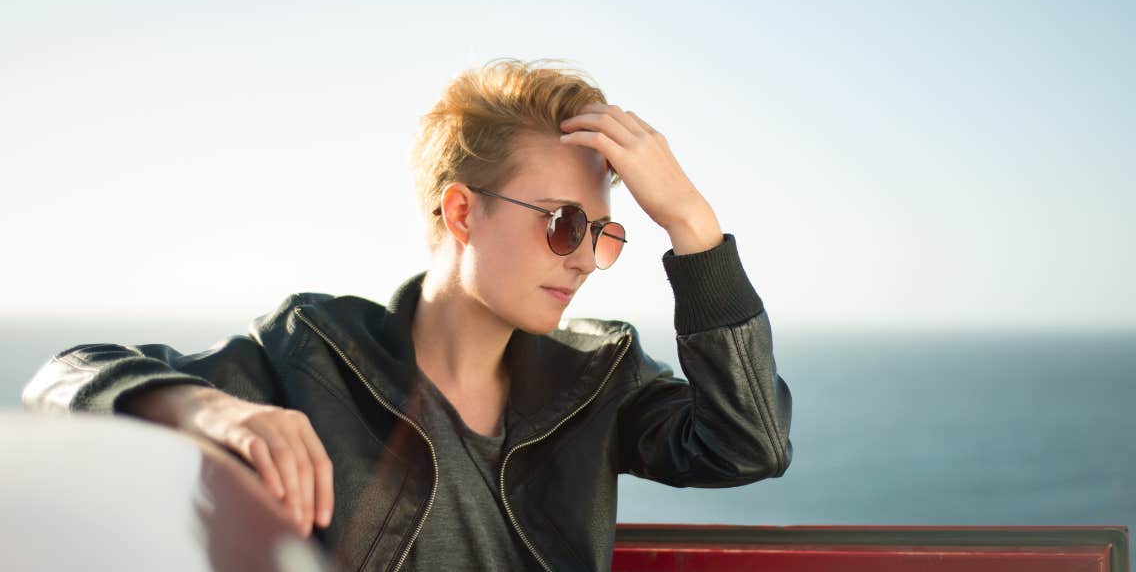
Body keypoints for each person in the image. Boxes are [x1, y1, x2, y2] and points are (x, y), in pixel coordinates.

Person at [22, 57, 793, 571]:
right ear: (462, 212)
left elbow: (749, 445)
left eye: (604, 233)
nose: (585, 259)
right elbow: (63, 381)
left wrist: (693, 228)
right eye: (564, 224)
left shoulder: (601, 377)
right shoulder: (315, 352)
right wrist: (209, 410)